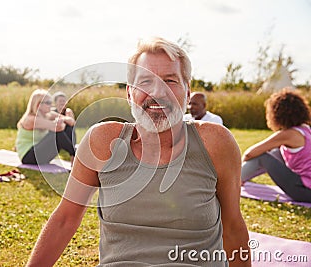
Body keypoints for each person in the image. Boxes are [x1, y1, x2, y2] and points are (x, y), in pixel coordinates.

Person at [26, 37, 250, 266]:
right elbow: (65, 219)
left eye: (170, 80)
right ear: (129, 93)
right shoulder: (102, 141)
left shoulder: (216, 143)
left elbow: (232, 228)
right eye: (145, 81)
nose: (157, 91)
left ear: (187, 91)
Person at [241, 89, 311, 203]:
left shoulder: (287, 134)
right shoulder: (305, 129)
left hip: (304, 191)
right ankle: (240, 179)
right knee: (275, 153)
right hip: (306, 188)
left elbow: (249, 154)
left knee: (263, 157)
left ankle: (233, 181)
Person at [15, 89, 75, 166]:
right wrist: (60, 122)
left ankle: (74, 155)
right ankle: (75, 155)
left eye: (51, 102)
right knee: (56, 134)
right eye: (48, 103)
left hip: (41, 154)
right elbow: (58, 128)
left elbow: (72, 122)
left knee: (67, 128)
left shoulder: (48, 115)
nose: (51, 105)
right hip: (28, 156)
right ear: (38, 105)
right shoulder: (31, 119)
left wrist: (62, 119)